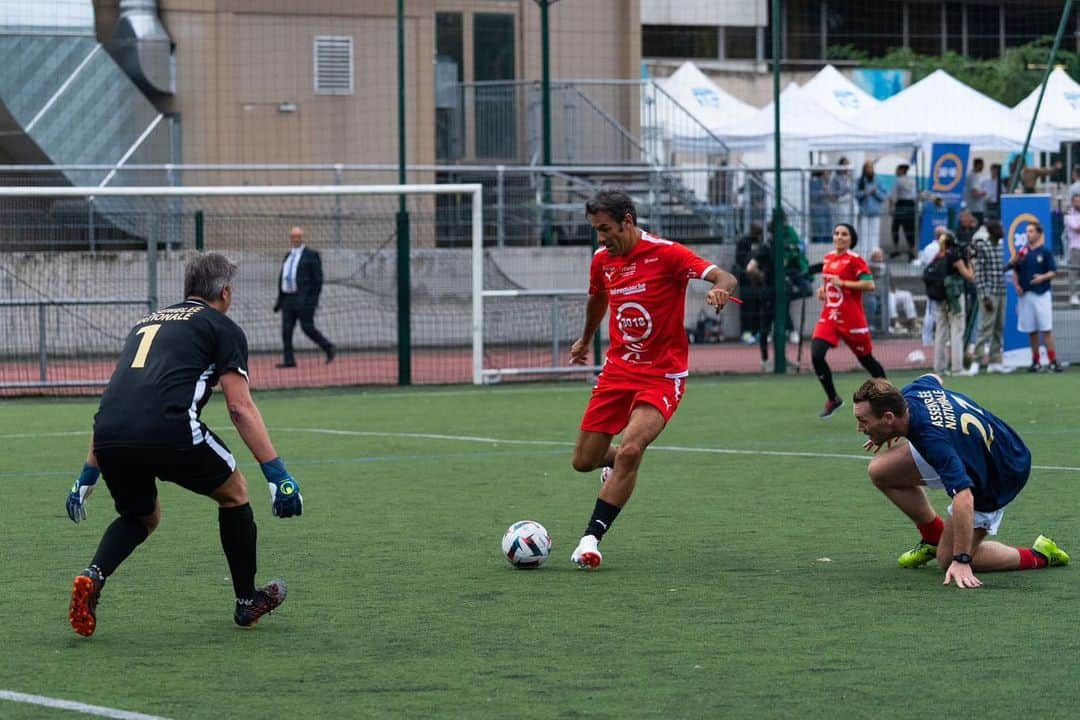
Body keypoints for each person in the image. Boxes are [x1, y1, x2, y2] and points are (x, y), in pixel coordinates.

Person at [65, 253, 304, 637]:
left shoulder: (146, 322)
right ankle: (247, 602)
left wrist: (87, 474)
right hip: (169, 430)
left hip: (110, 433)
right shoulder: (221, 327)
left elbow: (121, 398)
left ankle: (93, 576)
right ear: (225, 292)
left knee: (141, 516)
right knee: (235, 493)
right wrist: (278, 473)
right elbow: (240, 407)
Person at [567, 189, 738, 569]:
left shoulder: (668, 253)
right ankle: (613, 465)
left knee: (631, 449)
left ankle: (590, 539)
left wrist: (719, 290)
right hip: (617, 372)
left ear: (627, 221)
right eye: (596, 230)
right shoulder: (602, 261)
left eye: (606, 229)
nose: (601, 237)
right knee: (583, 461)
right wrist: (586, 337)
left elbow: (724, 276)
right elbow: (598, 298)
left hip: (662, 375)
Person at [853, 376, 1069, 587]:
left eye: (863, 421)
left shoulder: (934, 441)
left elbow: (964, 496)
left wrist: (962, 559)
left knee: (948, 559)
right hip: (975, 447)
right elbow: (933, 377)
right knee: (881, 471)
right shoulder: (911, 394)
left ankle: (1039, 554)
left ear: (889, 417)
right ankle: (933, 538)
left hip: (999, 473)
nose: (859, 428)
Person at [811, 222, 887, 419]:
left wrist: (844, 283)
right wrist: (824, 291)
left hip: (852, 319)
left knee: (867, 361)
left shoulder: (855, 260)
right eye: (836, 233)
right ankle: (833, 399)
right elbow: (828, 283)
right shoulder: (828, 258)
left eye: (844, 234)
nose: (839, 237)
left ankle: (889, 397)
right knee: (817, 354)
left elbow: (869, 284)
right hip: (830, 316)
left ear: (851, 239)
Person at [274, 226, 335, 368]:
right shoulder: (288, 256)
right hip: (288, 299)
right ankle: (289, 360)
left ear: (302, 238)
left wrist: (312, 300)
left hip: (303, 299)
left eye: (298, 236)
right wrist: (280, 299)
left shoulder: (311, 255)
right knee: (286, 330)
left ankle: (328, 347)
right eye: (293, 237)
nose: (295, 239)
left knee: (307, 327)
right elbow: (283, 277)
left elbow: (317, 280)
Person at [1007, 221, 1062, 372]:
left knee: (1046, 328)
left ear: (1038, 233)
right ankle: (1036, 361)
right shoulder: (1022, 253)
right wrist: (1017, 285)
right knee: (1031, 330)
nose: (1028, 234)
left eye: (1031, 231)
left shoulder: (1045, 252)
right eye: (1027, 231)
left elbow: (1053, 271)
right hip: (1026, 295)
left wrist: (1042, 278)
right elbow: (1015, 271)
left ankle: (1052, 361)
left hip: (1041, 294)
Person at [967, 220, 1013, 375]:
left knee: (999, 327)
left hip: (1001, 291)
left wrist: (1010, 265)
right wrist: (984, 297)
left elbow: (998, 270)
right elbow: (979, 274)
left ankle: (994, 361)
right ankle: (976, 361)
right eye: (999, 228)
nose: (1003, 230)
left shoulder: (1001, 247)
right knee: (985, 328)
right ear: (993, 231)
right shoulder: (983, 247)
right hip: (989, 293)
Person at [925, 231, 974, 375]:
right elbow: (969, 276)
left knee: (941, 331)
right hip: (954, 296)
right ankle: (957, 368)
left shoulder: (937, 257)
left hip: (940, 297)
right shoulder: (954, 255)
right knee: (957, 330)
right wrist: (969, 261)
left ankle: (939, 367)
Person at [855, 160, 887, 254]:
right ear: (864, 170)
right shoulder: (859, 181)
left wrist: (875, 192)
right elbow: (856, 195)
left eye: (871, 167)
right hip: (864, 212)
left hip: (875, 212)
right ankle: (863, 257)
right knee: (864, 236)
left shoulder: (878, 180)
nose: (869, 170)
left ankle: (873, 256)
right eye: (867, 168)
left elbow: (884, 196)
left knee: (874, 236)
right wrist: (865, 193)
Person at [889, 163, 917, 260]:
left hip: (901, 204)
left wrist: (890, 208)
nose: (896, 172)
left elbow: (892, 196)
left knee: (895, 228)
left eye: (897, 170)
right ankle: (911, 250)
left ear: (901, 170)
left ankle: (896, 249)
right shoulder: (912, 180)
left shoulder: (898, 180)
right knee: (910, 229)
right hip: (911, 205)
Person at [1063, 192, 1080, 306]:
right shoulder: (1068, 216)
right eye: (1076, 201)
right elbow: (1077, 228)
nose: (1078, 203)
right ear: (1073, 202)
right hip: (1075, 248)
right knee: (1073, 272)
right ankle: (1073, 295)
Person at [965, 158, 988, 225]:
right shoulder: (972, 176)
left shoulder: (974, 176)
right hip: (975, 209)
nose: (983, 167)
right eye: (982, 165)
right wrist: (985, 193)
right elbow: (974, 193)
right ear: (978, 165)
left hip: (975, 208)